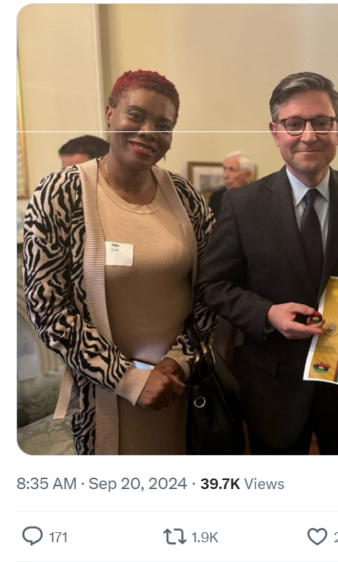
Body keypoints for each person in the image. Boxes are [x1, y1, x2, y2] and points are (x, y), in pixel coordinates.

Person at [196, 71, 338, 455]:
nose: (308, 136)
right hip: (271, 389)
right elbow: (211, 285)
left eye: (321, 123)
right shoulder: (241, 205)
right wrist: (267, 313)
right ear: (276, 133)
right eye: (294, 124)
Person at [23, 70, 216, 456]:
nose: (148, 131)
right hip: (105, 398)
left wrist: (178, 362)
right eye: (136, 115)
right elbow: (47, 308)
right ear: (110, 113)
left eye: (164, 125)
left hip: (182, 389)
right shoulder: (59, 193)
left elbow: (213, 288)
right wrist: (127, 379)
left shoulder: (184, 195)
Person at [209, 151, 256, 217]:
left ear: (247, 175)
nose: (225, 175)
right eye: (224, 169)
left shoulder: (260, 197)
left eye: (232, 170)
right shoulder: (216, 198)